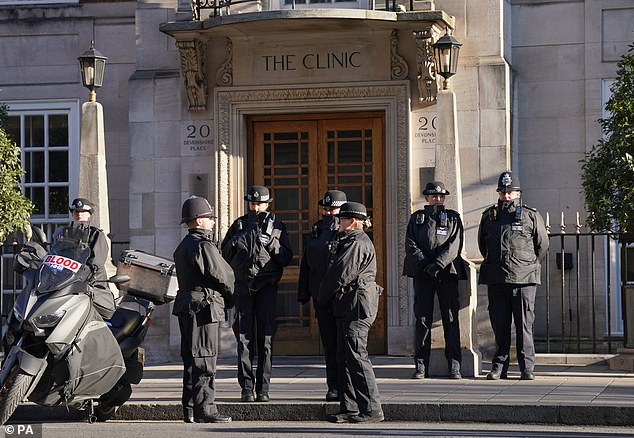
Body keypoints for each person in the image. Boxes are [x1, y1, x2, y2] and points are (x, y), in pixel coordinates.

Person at [221, 185, 293, 403]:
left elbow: (286, 258)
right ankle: (246, 388)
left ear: (267, 204)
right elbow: (224, 254)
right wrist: (238, 239)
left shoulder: (277, 227)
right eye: (252, 204)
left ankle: (263, 388)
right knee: (244, 340)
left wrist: (271, 243)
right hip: (243, 287)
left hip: (266, 287)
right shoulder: (239, 224)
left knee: (265, 340)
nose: (255, 207)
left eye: (259, 204)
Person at [478, 171, 549, 380]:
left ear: (518, 193)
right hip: (497, 278)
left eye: (510, 192)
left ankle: (527, 367)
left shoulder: (530, 215)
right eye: (503, 192)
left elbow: (542, 246)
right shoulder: (489, 216)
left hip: (523, 279)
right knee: (499, 326)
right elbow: (483, 245)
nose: (506, 195)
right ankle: (499, 366)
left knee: (524, 325)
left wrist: (525, 265)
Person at [318, 201, 384, 424]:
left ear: (352, 222)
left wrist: (321, 297)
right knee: (344, 357)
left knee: (356, 355)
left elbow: (341, 273)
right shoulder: (347, 240)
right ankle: (351, 407)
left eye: (341, 219)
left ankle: (372, 409)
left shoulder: (357, 242)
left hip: (356, 306)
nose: (338, 223)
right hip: (346, 305)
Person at [173, 195, 235, 423]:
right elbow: (225, 276)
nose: (212, 222)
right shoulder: (203, 245)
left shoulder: (183, 246)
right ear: (198, 221)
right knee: (205, 358)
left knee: (191, 358)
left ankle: (189, 408)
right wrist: (230, 297)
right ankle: (205, 409)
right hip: (203, 307)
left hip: (188, 305)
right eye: (209, 218)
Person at [403, 181, 466, 380]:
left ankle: (454, 366)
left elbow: (454, 245)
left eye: (440, 197)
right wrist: (425, 264)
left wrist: (437, 264)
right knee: (422, 320)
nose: (437, 199)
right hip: (423, 275)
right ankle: (421, 365)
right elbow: (410, 245)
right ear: (427, 198)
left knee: (450, 319)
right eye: (433, 196)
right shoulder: (416, 219)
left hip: (447, 273)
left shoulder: (453, 218)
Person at [298, 189, 347, 401]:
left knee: (345, 343)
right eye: (326, 209)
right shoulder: (316, 232)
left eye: (333, 209)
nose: (328, 213)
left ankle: (347, 386)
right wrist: (304, 293)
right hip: (322, 296)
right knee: (329, 343)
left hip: (342, 296)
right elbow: (306, 265)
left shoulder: (347, 232)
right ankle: (334, 385)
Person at [55, 198, 115, 319]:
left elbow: (96, 262)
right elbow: (55, 254)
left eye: (83, 211)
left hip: (91, 283)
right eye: (76, 211)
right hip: (65, 282)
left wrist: (81, 277)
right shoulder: (63, 233)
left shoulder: (96, 234)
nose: (79, 214)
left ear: (89, 214)